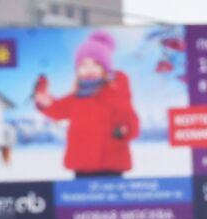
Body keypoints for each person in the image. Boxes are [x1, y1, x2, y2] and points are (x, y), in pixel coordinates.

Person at [35, 30, 138, 178]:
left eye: (96, 64)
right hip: (82, 166)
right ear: (77, 70)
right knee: (81, 200)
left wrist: (124, 130)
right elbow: (57, 110)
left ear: (106, 69)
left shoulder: (116, 94)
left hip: (111, 165)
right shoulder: (76, 97)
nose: (89, 69)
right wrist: (45, 101)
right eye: (83, 65)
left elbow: (132, 122)